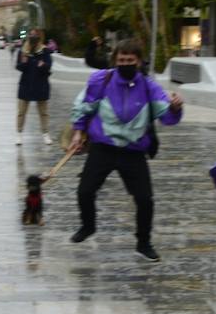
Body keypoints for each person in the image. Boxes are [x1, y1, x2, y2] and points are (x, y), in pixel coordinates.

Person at [67, 38, 184, 262]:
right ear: (114, 61)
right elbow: (83, 107)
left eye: (130, 60)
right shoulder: (101, 80)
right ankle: (88, 226)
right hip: (103, 148)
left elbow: (167, 117)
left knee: (145, 200)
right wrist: (77, 132)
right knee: (85, 191)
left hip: (133, 152)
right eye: (121, 60)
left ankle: (143, 243)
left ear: (139, 61)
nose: (125, 64)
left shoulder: (150, 87)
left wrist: (176, 107)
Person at [16, 30, 53, 146]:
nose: (33, 37)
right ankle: (19, 134)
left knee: (43, 112)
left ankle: (45, 134)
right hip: (26, 84)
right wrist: (24, 62)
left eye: (35, 35)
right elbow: (18, 67)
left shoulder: (45, 50)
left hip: (40, 85)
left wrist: (43, 65)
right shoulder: (23, 51)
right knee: (21, 112)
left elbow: (48, 66)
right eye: (31, 35)